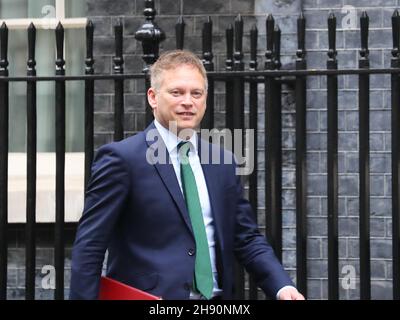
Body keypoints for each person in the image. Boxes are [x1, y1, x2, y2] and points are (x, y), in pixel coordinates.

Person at [70, 49, 304, 300]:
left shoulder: (222, 162)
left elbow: (246, 237)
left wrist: (282, 287)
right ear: (153, 97)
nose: (188, 102)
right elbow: (90, 246)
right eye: (176, 92)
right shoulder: (122, 159)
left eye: (196, 93)